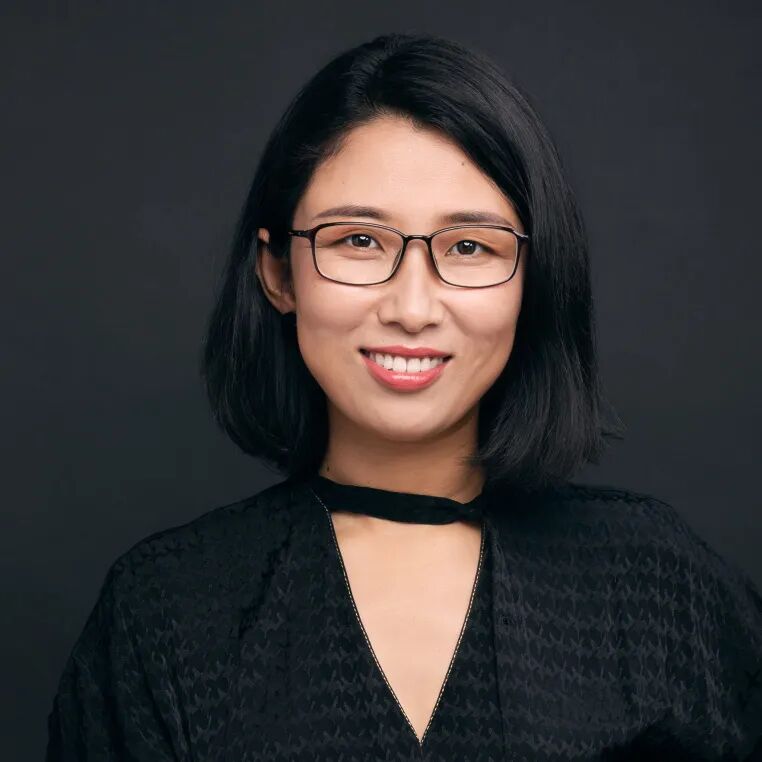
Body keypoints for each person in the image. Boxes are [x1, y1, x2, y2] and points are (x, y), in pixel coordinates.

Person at [46, 33, 762, 761]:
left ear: (534, 281)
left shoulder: (658, 588)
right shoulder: (165, 611)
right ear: (278, 273)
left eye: (470, 247)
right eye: (359, 240)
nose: (412, 308)